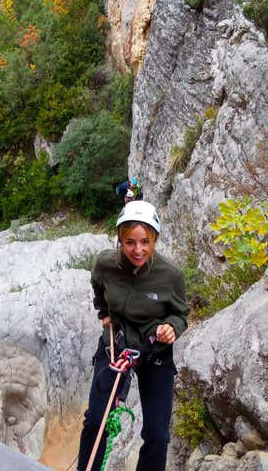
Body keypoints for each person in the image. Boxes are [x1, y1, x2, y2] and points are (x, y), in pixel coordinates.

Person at [77, 201, 188, 471]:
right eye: (130, 242)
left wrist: (171, 327)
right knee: (96, 420)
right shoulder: (106, 264)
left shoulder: (171, 275)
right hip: (117, 347)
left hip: (154, 354)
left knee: (157, 435)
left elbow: (180, 314)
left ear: (155, 239)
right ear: (120, 240)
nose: (138, 250)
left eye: (145, 242)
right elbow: (98, 287)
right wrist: (103, 311)